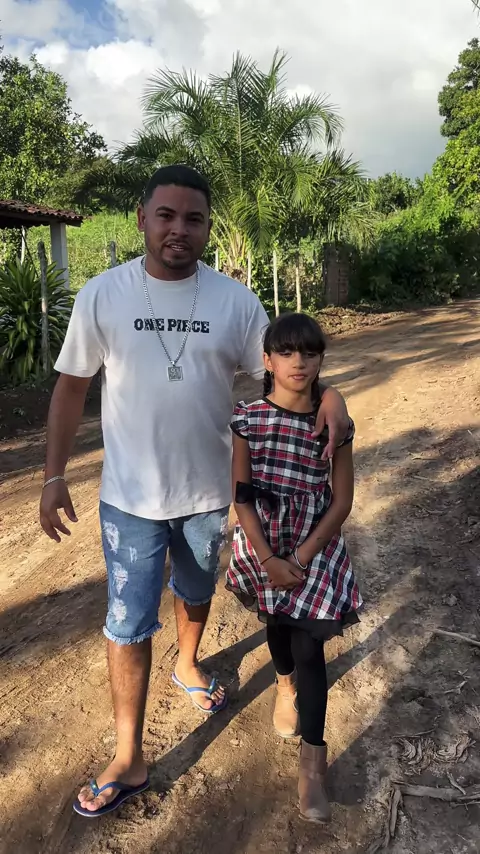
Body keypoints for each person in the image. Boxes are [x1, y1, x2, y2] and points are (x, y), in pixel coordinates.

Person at [39, 165, 350, 817]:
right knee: (127, 622)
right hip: (129, 501)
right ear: (142, 219)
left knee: (197, 591)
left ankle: (188, 663)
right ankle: (128, 756)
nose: (179, 229)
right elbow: (71, 387)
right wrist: (53, 475)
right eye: (166, 215)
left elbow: (284, 372)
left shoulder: (235, 303)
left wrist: (332, 395)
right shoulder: (103, 294)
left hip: (210, 495)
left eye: (194, 218)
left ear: (208, 227)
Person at [227, 312, 362, 823]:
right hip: (264, 541)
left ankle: (312, 767)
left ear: (321, 359)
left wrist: (300, 558)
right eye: (286, 352)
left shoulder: (334, 424)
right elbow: (241, 496)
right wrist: (267, 558)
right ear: (267, 360)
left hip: (314, 545)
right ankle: (283, 685)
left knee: (310, 646)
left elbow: (342, 499)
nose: (298, 362)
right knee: (278, 626)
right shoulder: (248, 419)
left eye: (309, 352)